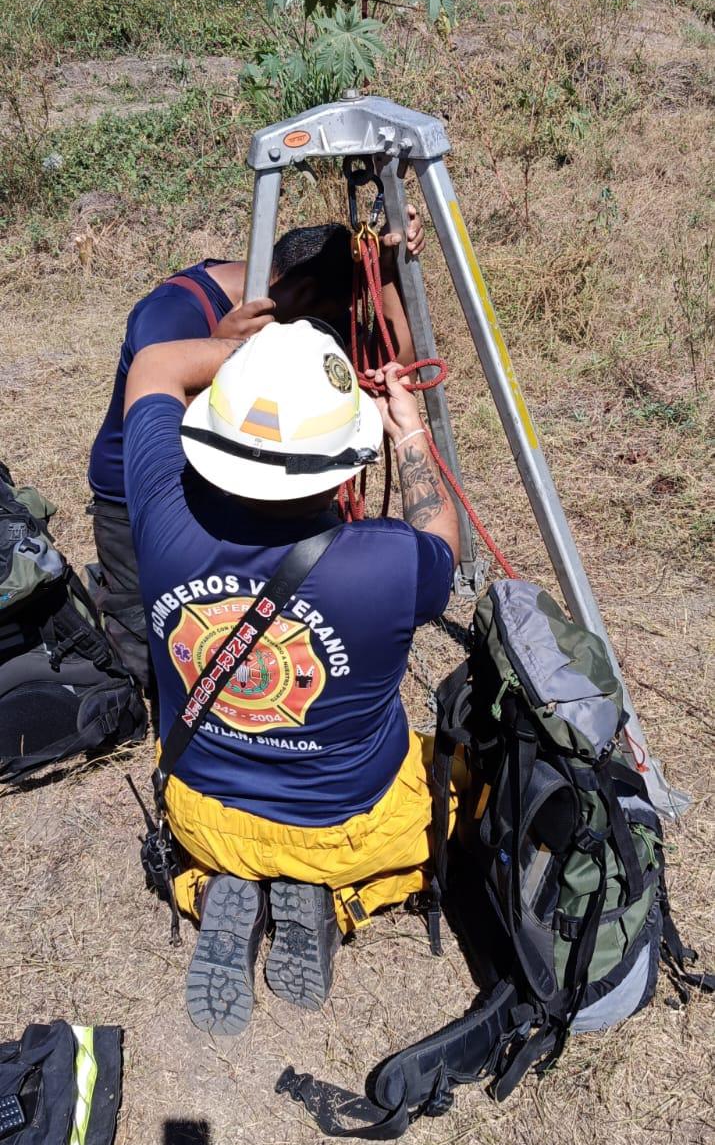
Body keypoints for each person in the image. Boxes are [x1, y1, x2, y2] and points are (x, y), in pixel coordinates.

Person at [124, 317, 460, 1035]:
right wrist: (409, 434)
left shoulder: (155, 510)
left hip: (203, 809)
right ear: (345, 463)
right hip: (341, 822)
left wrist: (246, 360)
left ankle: (218, 887)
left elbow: (153, 362)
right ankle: (327, 897)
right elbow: (444, 543)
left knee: (220, 833)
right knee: (452, 782)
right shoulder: (391, 563)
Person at [89, 214, 425, 688]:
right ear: (306, 298)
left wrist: (386, 268)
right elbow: (167, 422)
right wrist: (227, 348)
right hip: (147, 496)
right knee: (159, 653)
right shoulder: (171, 316)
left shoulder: (288, 317)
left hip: (241, 492)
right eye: (335, 315)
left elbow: (392, 361)